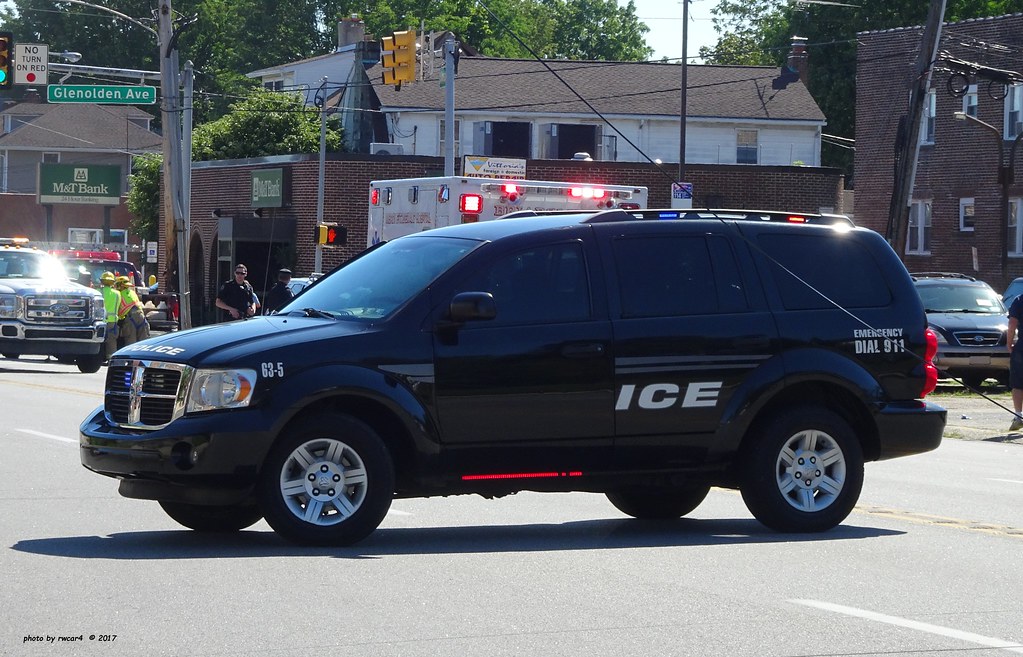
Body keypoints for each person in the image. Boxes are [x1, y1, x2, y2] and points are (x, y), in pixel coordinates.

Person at [115, 275, 150, 346]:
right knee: (143, 343)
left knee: (130, 344)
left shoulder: (119, 294)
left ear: (120, 285)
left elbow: (118, 311)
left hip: (130, 319)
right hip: (141, 316)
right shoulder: (133, 293)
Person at [1008, 294, 1023, 431]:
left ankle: (1019, 415)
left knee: (1018, 384)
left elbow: (1012, 324)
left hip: (1022, 348)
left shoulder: (1019, 300)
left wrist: (1009, 343)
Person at [99, 271, 120, 359]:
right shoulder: (117, 293)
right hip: (113, 321)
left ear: (102, 281)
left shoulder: (98, 292)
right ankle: (111, 358)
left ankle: (98, 357)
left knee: (99, 340)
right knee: (111, 341)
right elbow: (118, 306)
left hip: (101, 320)